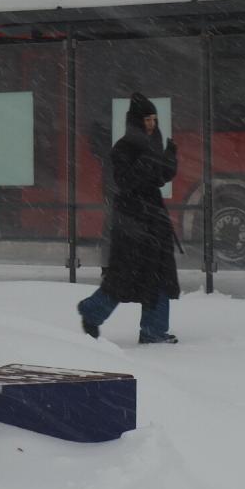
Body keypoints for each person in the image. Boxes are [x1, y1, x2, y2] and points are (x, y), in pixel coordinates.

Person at [78, 92, 180, 344]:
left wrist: (168, 158)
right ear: (137, 120)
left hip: (150, 220)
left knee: (157, 275)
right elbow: (125, 182)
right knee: (125, 277)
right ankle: (93, 311)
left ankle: (153, 331)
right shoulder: (123, 147)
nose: (152, 124)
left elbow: (158, 179)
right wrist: (150, 160)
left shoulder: (149, 144)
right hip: (132, 221)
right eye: (148, 119)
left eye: (154, 119)